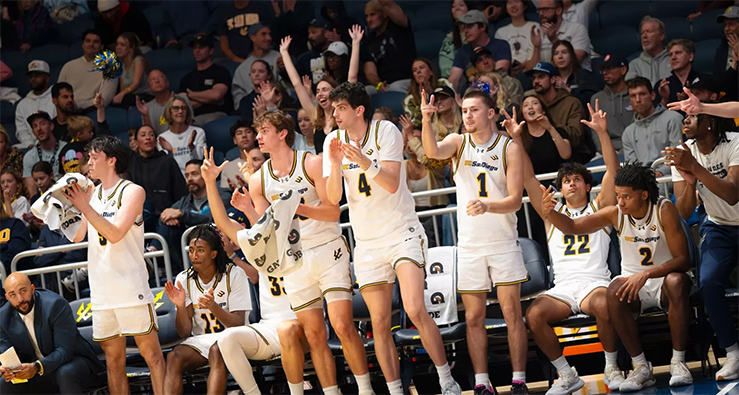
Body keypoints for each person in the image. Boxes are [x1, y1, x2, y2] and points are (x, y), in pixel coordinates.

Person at [208, 111, 374, 395]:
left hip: (326, 249)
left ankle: (366, 390)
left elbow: (333, 211)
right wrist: (248, 209)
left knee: (344, 326)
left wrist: (297, 207)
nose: (257, 137)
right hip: (295, 262)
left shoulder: (311, 162)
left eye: (263, 131)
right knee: (314, 334)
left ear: (282, 133)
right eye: (257, 131)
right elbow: (268, 225)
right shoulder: (259, 180)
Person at [324, 82, 462, 395]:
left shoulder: (385, 131)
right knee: (378, 321)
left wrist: (361, 160)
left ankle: (446, 380)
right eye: (333, 109)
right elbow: (333, 199)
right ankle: (396, 389)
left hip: (401, 231)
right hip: (368, 242)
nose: (335, 114)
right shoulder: (332, 140)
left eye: (340, 108)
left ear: (358, 110)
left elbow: (389, 182)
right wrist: (334, 165)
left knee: (414, 309)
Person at [541, 161, 694, 391]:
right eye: (617, 196)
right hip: (634, 285)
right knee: (613, 292)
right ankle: (641, 366)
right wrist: (550, 212)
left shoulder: (663, 209)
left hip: (663, 279)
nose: (619, 202)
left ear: (643, 195)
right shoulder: (616, 213)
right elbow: (572, 226)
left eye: (625, 197)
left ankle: (679, 362)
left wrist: (647, 274)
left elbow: (683, 260)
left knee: (676, 281)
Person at [421, 90, 527, 395]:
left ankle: (518, 379)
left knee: (511, 314)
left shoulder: (509, 148)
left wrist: (487, 205)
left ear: (490, 113)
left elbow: (516, 200)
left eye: (474, 110)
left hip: (503, 242)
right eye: (464, 110)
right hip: (469, 246)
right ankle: (482, 383)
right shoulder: (458, 142)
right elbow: (432, 150)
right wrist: (427, 120)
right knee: (474, 317)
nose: (467, 115)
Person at [516, 100, 625, 393]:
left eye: (577, 179)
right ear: (560, 189)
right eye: (566, 181)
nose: (572, 184)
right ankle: (567, 375)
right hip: (562, 288)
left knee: (604, 303)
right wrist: (516, 141)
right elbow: (527, 178)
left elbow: (613, 174)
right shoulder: (551, 214)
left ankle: (611, 367)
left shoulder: (600, 208)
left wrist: (602, 133)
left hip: (594, 283)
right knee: (534, 315)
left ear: (587, 186)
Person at [63, 135, 166, 395]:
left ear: (112, 160)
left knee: (151, 355)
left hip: (130, 286)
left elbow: (115, 233)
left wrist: (86, 208)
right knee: (112, 361)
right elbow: (76, 236)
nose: (88, 163)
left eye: (93, 158)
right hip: (102, 290)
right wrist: (59, 208)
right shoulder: (92, 194)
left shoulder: (132, 191)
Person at [198, 152, 296, 395]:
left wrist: (254, 185)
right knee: (227, 338)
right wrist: (210, 182)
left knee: (288, 330)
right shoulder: (256, 244)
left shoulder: (299, 236)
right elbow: (222, 221)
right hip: (269, 326)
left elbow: (266, 218)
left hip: (302, 322)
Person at [666, 112, 739, 382]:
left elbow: (732, 194)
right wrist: (688, 181)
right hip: (717, 226)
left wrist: (696, 168)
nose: (685, 120)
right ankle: (733, 353)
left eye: (693, 116)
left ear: (710, 121)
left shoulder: (734, 142)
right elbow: (684, 212)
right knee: (708, 282)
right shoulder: (684, 154)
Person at [162, 224, 251, 394]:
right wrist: (180, 306)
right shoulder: (184, 279)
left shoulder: (234, 274)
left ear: (213, 254)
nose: (194, 255)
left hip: (234, 338)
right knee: (174, 357)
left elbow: (239, 323)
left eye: (200, 250)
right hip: (201, 340)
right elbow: (184, 332)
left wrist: (213, 307)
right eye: (191, 250)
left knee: (216, 351)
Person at [0, 273, 105, 394]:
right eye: (13, 295)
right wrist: (8, 370)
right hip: (37, 370)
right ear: (7, 297)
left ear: (32, 288)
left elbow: (64, 351)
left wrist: (36, 367)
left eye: (23, 291)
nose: (20, 299)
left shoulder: (54, 305)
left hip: (74, 362)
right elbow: (6, 352)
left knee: (65, 373)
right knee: (4, 383)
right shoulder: (3, 317)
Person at [280, 29, 362, 154]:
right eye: (318, 91)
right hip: (322, 172)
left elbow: (352, 78)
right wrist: (284, 53)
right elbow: (297, 84)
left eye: (325, 90)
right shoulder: (316, 117)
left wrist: (355, 43)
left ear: (335, 94)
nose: (320, 94)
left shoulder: (344, 115)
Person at [153, 159, 218, 272]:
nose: (190, 179)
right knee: (168, 226)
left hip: (214, 247)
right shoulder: (184, 202)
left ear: (206, 175)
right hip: (188, 252)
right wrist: (168, 218)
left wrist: (182, 215)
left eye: (195, 174)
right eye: (187, 175)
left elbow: (212, 218)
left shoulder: (220, 195)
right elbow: (163, 217)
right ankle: (152, 251)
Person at [527, 62, 592, 163]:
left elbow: (576, 136)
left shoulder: (571, 103)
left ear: (553, 79)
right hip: (543, 158)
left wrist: (549, 127)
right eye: (533, 78)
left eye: (541, 77)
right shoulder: (534, 105)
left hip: (573, 158)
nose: (536, 81)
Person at [127, 125, 188, 231]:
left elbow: (181, 193)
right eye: (143, 135)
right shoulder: (131, 162)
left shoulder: (167, 161)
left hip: (166, 217)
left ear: (155, 141)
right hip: (140, 219)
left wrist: (173, 213)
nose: (148, 138)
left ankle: (153, 248)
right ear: (136, 142)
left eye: (151, 135)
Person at [622, 77, 684, 177]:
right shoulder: (628, 133)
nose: (638, 100)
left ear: (653, 95)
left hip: (671, 177)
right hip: (643, 183)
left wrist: (661, 172)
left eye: (642, 94)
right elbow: (631, 167)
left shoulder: (673, 119)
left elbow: (679, 155)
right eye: (633, 96)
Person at [362, 0, 417, 94]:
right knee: (364, 91)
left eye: (373, 14)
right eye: (367, 16)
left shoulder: (399, 26)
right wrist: (378, 84)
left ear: (384, 14)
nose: (369, 20)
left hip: (407, 80)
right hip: (384, 84)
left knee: (396, 87)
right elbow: (370, 72)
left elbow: (388, 4)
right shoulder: (368, 41)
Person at [449, 10, 512, 91]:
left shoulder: (501, 45)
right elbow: (454, 79)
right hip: (474, 92)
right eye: (464, 27)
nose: (465, 31)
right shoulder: (462, 51)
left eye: (470, 26)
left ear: (482, 27)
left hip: (500, 88)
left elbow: (498, 74)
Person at [179, 33, 233, 125]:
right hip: (193, 118)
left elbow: (216, 95)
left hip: (217, 115)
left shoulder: (220, 72)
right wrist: (209, 99)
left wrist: (191, 94)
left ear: (211, 51)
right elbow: (184, 105)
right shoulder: (187, 78)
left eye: (201, 47)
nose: (197, 50)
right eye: (195, 48)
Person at [58, 29, 116, 110]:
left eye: (95, 42)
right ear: (83, 44)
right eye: (88, 41)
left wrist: (78, 105)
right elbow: (58, 95)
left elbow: (105, 99)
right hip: (68, 110)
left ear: (102, 46)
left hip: (93, 110)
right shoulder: (68, 66)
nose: (91, 44)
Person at [514, 95, 571, 175]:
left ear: (543, 110)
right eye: (526, 105)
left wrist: (550, 128)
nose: (530, 107)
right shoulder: (520, 137)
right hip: (532, 182)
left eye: (535, 103)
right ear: (522, 114)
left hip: (556, 180)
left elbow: (566, 154)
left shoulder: (558, 131)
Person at [590, 54, 633, 153]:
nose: (605, 72)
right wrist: (607, 151)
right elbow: (596, 132)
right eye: (603, 69)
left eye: (610, 68)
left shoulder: (635, 95)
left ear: (623, 70)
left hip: (633, 150)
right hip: (605, 151)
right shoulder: (597, 99)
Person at [535, 0, 594, 71]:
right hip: (550, 79)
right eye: (539, 10)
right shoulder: (538, 33)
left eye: (545, 9)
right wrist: (536, 48)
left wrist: (554, 39)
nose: (541, 13)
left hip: (577, 78)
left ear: (558, 10)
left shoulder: (577, 29)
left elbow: (577, 60)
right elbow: (534, 67)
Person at [232, 23, 282, 104]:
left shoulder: (280, 58)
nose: (269, 38)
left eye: (269, 34)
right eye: (263, 34)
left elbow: (288, 88)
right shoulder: (243, 67)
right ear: (253, 37)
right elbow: (238, 95)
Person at [158, 96, 207, 177]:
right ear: (169, 112)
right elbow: (166, 167)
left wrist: (192, 148)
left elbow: (199, 161)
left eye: (183, 108)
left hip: (195, 177)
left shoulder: (198, 132)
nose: (180, 111)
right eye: (176, 108)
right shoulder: (162, 138)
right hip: (174, 179)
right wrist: (170, 153)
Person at [135, 70, 193, 136]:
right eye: (153, 79)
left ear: (167, 82)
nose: (157, 81)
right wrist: (145, 116)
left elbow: (189, 127)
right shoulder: (147, 107)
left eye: (160, 77)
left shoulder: (182, 99)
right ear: (149, 88)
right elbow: (150, 135)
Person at [22, 111, 66, 196]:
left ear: (51, 126)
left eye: (42, 124)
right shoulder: (29, 157)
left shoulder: (66, 149)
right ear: (33, 132)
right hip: (42, 201)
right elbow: (32, 193)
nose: (39, 129)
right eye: (35, 126)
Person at [14, 60, 56, 148]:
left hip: (54, 143)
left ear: (47, 78)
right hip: (32, 147)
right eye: (31, 77)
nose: (33, 79)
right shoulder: (22, 104)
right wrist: (30, 145)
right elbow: (22, 131)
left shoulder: (56, 97)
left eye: (37, 76)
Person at [494, 0, 541, 76]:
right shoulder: (501, 32)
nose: (513, 5)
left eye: (517, 1)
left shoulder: (534, 27)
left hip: (530, 72)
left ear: (525, 5)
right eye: (509, 3)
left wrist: (524, 65)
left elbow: (535, 58)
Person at [404, 58, 453, 129]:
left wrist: (430, 92)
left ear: (431, 72)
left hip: (449, 121)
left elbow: (453, 105)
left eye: (422, 68)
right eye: (415, 70)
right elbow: (415, 124)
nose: (418, 71)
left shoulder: (443, 83)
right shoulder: (409, 99)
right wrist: (422, 100)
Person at [625, 16, 671, 85]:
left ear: (661, 36)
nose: (644, 36)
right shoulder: (634, 65)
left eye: (649, 31)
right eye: (642, 33)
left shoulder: (673, 59)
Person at [551, 40, 597, 107]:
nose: (560, 56)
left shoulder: (583, 75)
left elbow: (590, 99)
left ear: (572, 56)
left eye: (564, 52)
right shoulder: (551, 79)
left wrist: (567, 89)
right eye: (556, 53)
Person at [655, 39, 700, 107]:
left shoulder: (705, 81)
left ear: (690, 56)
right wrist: (665, 98)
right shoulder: (662, 86)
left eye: (678, 53)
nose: (673, 57)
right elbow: (657, 116)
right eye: (670, 54)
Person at [112, 32, 150, 108]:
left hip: (144, 94)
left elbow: (136, 84)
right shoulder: (121, 65)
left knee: (125, 99)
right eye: (117, 44)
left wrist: (122, 94)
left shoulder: (138, 60)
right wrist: (120, 95)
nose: (118, 47)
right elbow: (122, 88)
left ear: (131, 47)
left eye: (122, 45)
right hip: (131, 96)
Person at [220, 120, 257, 190]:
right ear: (234, 140)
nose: (244, 136)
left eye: (248, 132)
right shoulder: (227, 168)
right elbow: (225, 195)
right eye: (239, 133)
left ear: (255, 136)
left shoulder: (266, 161)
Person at [296, 17, 334, 84]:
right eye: (309, 33)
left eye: (314, 32)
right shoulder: (304, 59)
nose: (310, 36)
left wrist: (339, 43)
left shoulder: (339, 54)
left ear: (326, 33)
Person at [438, 0, 470, 78]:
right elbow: (445, 67)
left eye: (461, 5)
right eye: (453, 6)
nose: (457, 8)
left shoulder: (478, 34)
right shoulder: (449, 39)